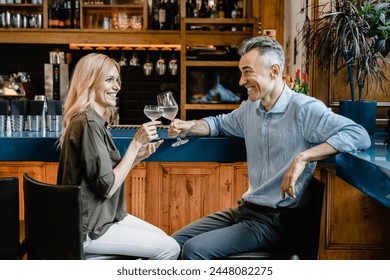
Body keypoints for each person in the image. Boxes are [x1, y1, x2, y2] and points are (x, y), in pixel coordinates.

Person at [168, 36, 371, 260]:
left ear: (274, 71)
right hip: (246, 210)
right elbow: (217, 124)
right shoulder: (250, 109)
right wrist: (188, 126)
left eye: (248, 72)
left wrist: (303, 158)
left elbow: (359, 135)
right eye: (241, 72)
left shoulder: (304, 109)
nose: (241, 81)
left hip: (277, 222)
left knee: (194, 250)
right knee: (173, 244)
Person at [57, 53, 180, 260]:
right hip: (90, 227)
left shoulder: (94, 121)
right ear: (89, 83)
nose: (117, 87)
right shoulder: (88, 123)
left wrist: (136, 157)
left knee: (162, 238)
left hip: (103, 217)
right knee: (170, 248)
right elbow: (106, 187)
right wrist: (135, 144)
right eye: (109, 80)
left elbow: (104, 176)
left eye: (117, 80)